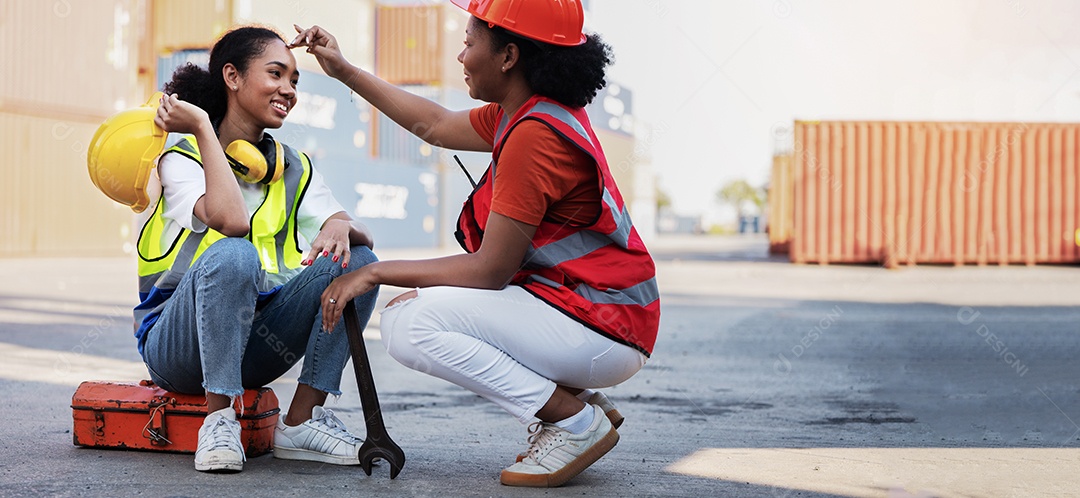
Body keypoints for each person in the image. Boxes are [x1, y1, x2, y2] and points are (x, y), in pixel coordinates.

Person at [292, 0, 659, 487]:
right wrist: (343, 70)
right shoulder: (529, 112)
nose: (461, 56)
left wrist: (374, 271)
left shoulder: (534, 135)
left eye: (468, 43)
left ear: (508, 56)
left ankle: (572, 422)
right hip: (604, 317)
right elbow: (435, 125)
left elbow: (489, 271)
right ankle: (575, 399)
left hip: (603, 327)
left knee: (409, 323)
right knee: (422, 309)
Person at [135, 25, 379, 473]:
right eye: (276, 74)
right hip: (179, 348)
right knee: (236, 253)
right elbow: (232, 222)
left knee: (360, 264)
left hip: (256, 345)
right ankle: (218, 420)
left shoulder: (293, 167)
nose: (289, 90)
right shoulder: (182, 158)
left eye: (294, 80)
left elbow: (357, 231)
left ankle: (302, 421)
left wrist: (342, 227)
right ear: (232, 76)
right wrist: (203, 127)